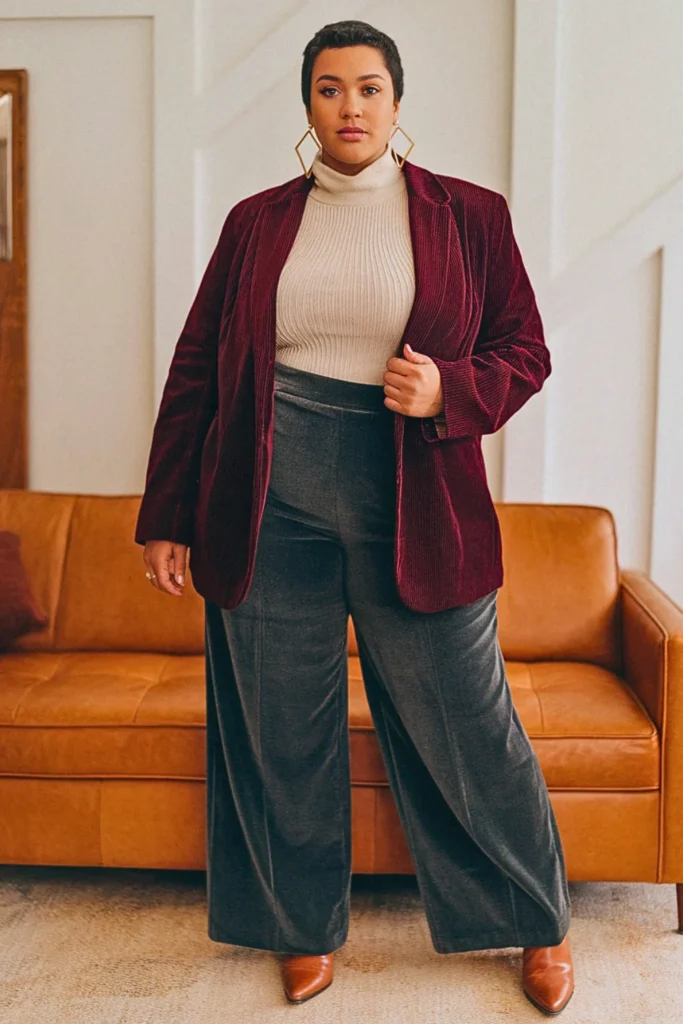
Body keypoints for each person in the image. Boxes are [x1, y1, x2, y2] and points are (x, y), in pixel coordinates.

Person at [135, 19, 574, 1017]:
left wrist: (450, 390)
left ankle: (537, 921)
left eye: (368, 88)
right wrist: (168, 513)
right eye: (329, 89)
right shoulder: (254, 223)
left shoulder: (468, 215)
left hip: (413, 494)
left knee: (466, 724)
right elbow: (199, 366)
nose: (349, 107)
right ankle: (300, 928)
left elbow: (524, 349)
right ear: (307, 105)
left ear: (395, 101)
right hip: (264, 493)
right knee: (279, 727)